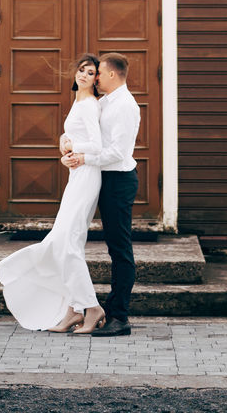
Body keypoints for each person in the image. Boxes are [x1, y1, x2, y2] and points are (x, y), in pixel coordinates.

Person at [0, 55, 106, 334]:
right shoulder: (78, 102)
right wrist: (64, 147)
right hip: (77, 175)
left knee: (66, 243)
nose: (83, 75)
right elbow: (71, 140)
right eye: (81, 70)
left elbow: (96, 144)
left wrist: (73, 145)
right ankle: (72, 311)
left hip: (87, 178)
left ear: (97, 80)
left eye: (90, 72)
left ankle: (92, 308)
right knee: (68, 243)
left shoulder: (91, 105)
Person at [63, 52, 141, 337]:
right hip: (103, 178)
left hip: (119, 181)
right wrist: (70, 147)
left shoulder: (124, 106)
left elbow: (117, 152)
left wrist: (83, 158)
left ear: (110, 74)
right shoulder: (105, 102)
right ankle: (79, 308)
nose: (94, 78)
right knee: (100, 243)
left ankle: (119, 317)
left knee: (120, 249)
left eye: (98, 73)